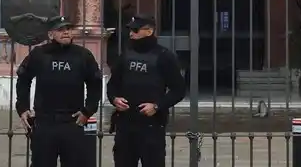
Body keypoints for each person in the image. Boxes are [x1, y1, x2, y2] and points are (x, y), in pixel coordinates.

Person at [15, 17, 103, 167]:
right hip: (44, 122)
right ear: (50, 34)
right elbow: (23, 79)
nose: (66, 33)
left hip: (72, 122)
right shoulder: (39, 54)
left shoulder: (83, 55)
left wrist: (88, 110)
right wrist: (23, 108)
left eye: (68, 29)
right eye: (60, 30)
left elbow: (95, 84)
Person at [107, 14, 187, 167]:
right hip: (125, 124)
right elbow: (112, 85)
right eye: (130, 30)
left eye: (135, 30)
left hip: (152, 126)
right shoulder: (126, 54)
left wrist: (157, 106)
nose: (131, 34)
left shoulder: (164, 56)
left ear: (149, 31)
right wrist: (114, 99)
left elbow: (179, 90)